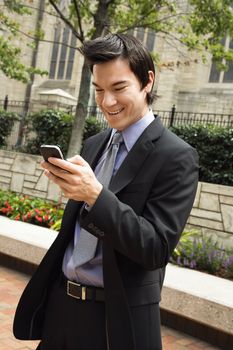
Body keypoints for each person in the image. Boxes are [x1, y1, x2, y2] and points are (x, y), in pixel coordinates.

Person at [13, 33, 199, 350]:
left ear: (147, 81)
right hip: (61, 307)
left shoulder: (177, 156)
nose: (106, 102)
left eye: (118, 88)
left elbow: (155, 248)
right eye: (99, 90)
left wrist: (95, 196)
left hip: (115, 322)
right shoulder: (95, 143)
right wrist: (77, 191)